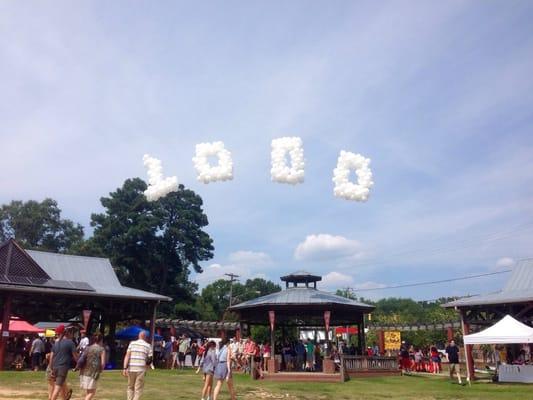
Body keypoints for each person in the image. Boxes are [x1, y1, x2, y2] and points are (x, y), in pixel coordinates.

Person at [122, 330, 153, 400]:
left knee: (130, 387)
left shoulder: (132, 343)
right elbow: (150, 359)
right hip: (141, 368)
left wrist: (124, 368)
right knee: (138, 389)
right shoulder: (148, 345)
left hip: (131, 368)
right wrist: (146, 368)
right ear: (145, 337)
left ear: (139, 336)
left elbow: (127, 356)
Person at [50, 325, 78, 400]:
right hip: (63, 368)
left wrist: (51, 368)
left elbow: (51, 357)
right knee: (57, 388)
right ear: (66, 332)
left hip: (55, 367)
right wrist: (79, 364)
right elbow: (75, 356)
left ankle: (66, 396)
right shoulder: (70, 343)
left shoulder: (56, 343)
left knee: (61, 384)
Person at [79, 334, 106, 400]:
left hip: (84, 371)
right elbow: (103, 363)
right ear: (101, 340)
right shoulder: (102, 349)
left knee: (88, 391)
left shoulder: (88, 348)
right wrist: (101, 369)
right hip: (93, 373)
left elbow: (82, 359)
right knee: (92, 392)